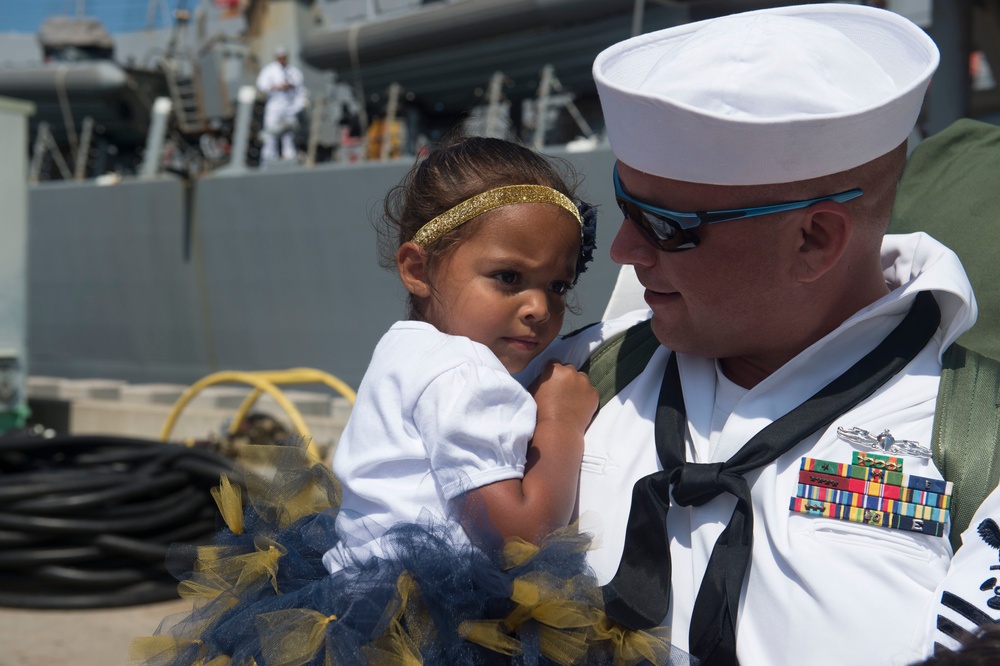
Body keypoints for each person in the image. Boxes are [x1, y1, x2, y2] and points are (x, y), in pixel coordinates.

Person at [520, 3, 996, 665]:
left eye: (664, 224)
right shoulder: (578, 379)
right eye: (624, 208)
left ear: (814, 239)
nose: (625, 250)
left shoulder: (980, 445)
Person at [130, 137, 692, 665]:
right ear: (417, 269)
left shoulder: (404, 348)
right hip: (427, 626)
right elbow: (520, 535)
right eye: (508, 277)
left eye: (558, 286)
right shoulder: (465, 373)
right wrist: (561, 423)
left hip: (351, 602)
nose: (538, 308)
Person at [255, 46, 306, 165]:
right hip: (274, 106)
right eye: (280, 57)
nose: (282, 59)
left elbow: (300, 90)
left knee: (288, 135)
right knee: (271, 133)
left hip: (289, 107)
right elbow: (261, 85)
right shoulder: (269, 70)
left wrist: (297, 107)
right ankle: (268, 160)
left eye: (284, 57)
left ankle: (289, 158)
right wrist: (276, 86)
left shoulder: (294, 72)